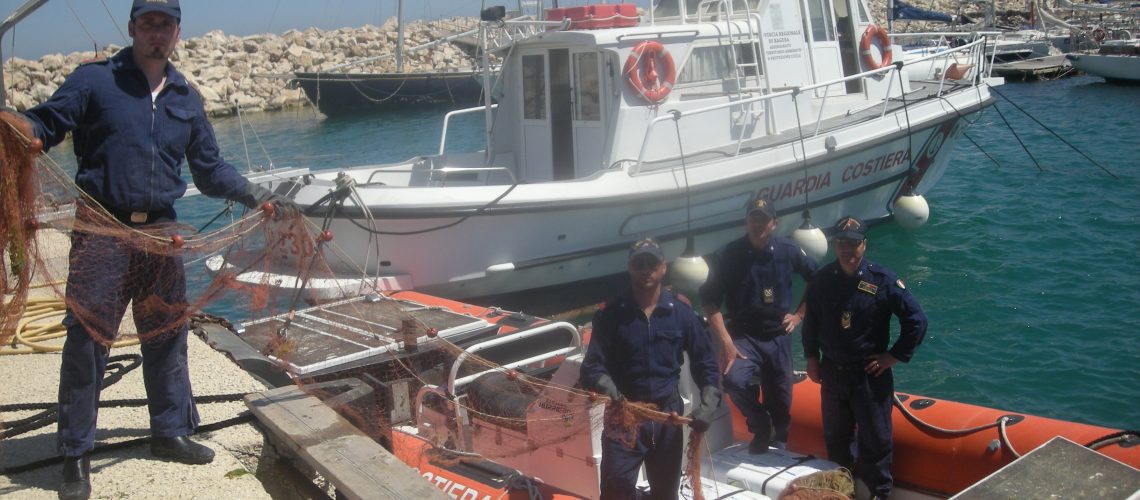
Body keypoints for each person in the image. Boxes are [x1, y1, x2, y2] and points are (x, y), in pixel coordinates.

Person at [0, 1, 296, 499]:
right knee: (87, 344)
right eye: (149, 23)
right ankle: (74, 453)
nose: (158, 33)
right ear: (134, 27)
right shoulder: (94, 81)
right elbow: (46, 126)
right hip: (102, 233)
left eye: (167, 24)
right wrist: (17, 127)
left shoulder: (185, 94)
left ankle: (170, 432)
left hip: (161, 233)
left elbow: (209, 168)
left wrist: (258, 195)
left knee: (166, 335)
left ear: (178, 32)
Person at [580, 238, 721, 500]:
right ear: (630, 268)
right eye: (639, 263)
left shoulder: (681, 312)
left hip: (668, 420)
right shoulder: (611, 314)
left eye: (651, 263)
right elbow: (591, 367)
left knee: (666, 495)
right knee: (615, 493)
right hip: (624, 417)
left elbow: (706, 362)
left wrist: (710, 399)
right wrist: (605, 384)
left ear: (663, 268)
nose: (646, 269)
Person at [801, 216, 928, 500]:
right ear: (835, 245)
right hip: (832, 374)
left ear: (864, 245)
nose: (847, 249)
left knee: (876, 441)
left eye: (854, 243)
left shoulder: (882, 280)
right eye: (842, 243)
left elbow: (917, 320)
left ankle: (880, 494)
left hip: (869, 376)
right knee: (836, 440)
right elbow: (811, 322)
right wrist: (811, 358)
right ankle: (841, 494)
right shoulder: (822, 280)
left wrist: (893, 356)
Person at [699, 198, 817, 454]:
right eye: (753, 218)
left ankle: (778, 444)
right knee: (734, 381)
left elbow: (816, 278)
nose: (757, 223)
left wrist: (799, 315)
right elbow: (709, 301)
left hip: (778, 336)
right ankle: (760, 424)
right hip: (743, 335)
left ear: (774, 223)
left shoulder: (788, 249)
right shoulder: (727, 254)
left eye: (763, 219)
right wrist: (727, 343)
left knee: (781, 398)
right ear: (746, 222)